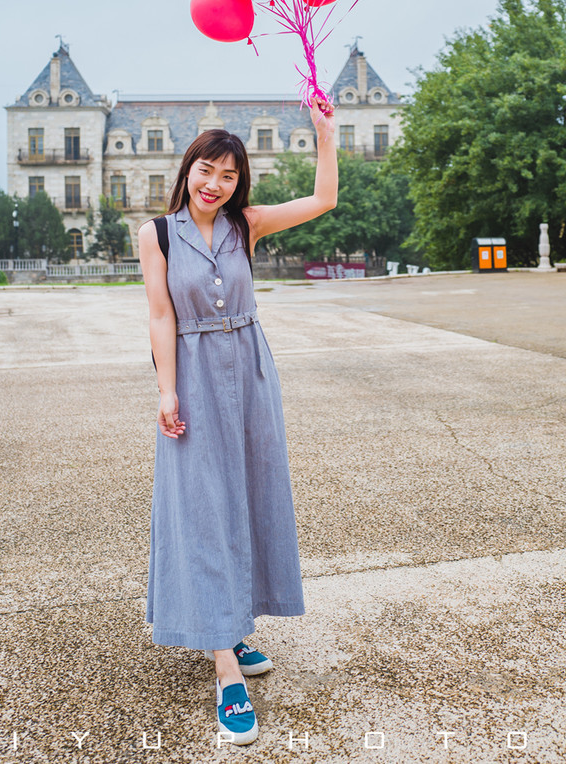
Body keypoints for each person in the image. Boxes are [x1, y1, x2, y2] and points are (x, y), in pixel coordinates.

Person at [138, 97, 338, 745]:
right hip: (193, 378)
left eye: (228, 175)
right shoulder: (158, 234)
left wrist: (325, 136)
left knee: (249, 500)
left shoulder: (245, 225)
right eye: (206, 169)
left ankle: (234, 621)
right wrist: (167, 389)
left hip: (250, 373)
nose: (214, 184)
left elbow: (323, 200)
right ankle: (226, 667)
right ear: (187, 167)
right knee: (202, 508)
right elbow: (162, 316)